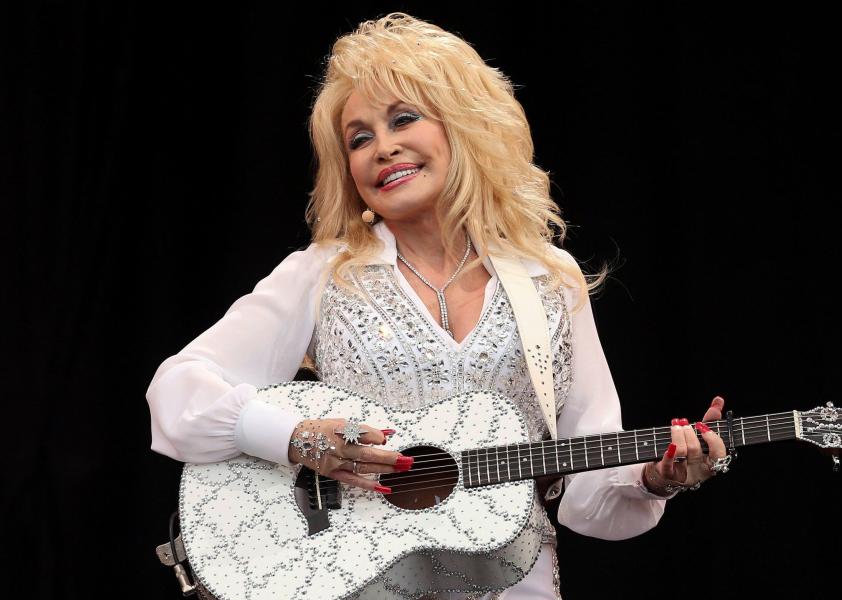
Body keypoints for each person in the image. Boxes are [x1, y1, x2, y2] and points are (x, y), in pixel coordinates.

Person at [145, 12, 729, 599]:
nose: (384, 147)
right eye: (359, 137)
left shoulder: (549, 279)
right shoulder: (324, 273)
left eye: (404, 118)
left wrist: (656, 478)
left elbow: (586, 485)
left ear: (463, 127)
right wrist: (296, 437)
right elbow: (177, 391)